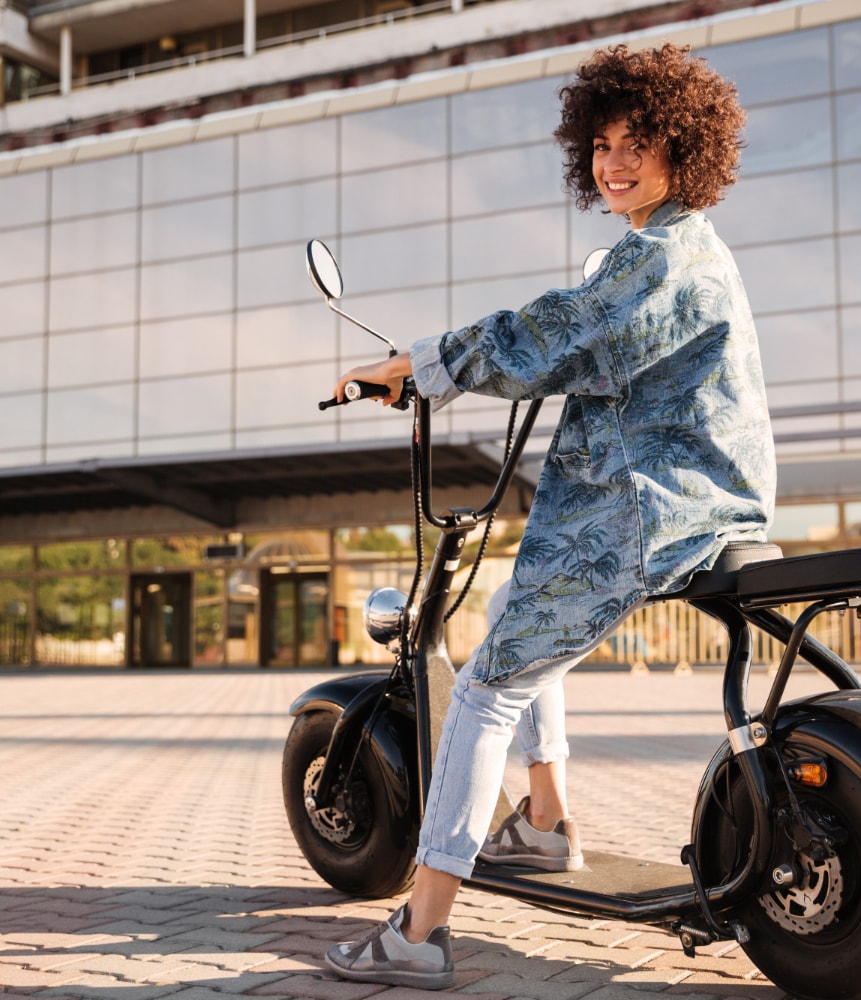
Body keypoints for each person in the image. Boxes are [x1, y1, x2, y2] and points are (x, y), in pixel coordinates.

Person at [324, 42, 775, 990]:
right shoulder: (667, 248)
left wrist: (416, 367)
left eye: (637, 143)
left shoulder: (662, 253)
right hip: (672, 500)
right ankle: (544, 825)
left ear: (685, 150)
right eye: (602, 144)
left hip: (649, 511)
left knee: (487, 688)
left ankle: (419, 932)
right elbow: (582, 337)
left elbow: (557, 333)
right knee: (515, 633)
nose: (614, 162)